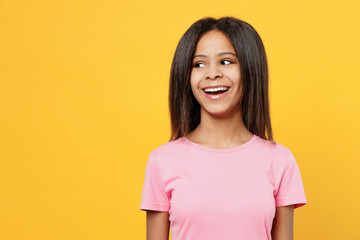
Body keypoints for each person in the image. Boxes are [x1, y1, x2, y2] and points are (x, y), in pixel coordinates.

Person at [140, 16, 307, 240]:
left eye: (226, 62)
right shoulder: (162, 161)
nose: (212, 73)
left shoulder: (280, 161)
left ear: (250, 69)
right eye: (199, 64)